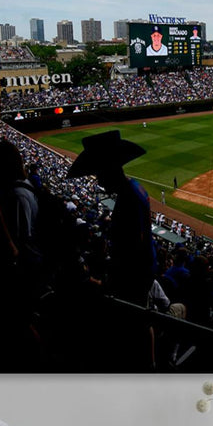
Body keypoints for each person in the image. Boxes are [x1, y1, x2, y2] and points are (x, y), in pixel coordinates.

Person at [67, 130, 155, 307]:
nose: (98, 182)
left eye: (99, 174)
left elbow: (132, 250)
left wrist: (109, 283)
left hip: (133, 282)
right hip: (139, 276)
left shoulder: (129, 197)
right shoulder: (134, 188)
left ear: (110, 170)